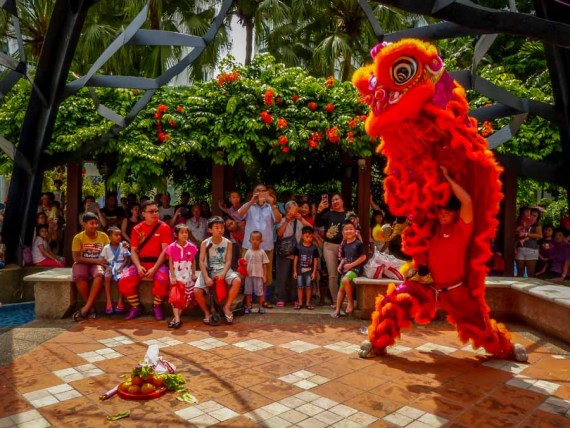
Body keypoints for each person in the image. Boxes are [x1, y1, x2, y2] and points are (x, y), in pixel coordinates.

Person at [361, 166, 525, 361]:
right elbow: (417, 208)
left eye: (448, 212)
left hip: (455, 291)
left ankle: (507, 349)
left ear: (455, 213)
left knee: (479, 324)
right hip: (425, 285)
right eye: (441, 211)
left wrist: (449, 177)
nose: (443, 215)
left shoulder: (463, 228)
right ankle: (377, 344)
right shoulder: (432, 226)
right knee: (393, 302)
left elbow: (467, 201)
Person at [118, 200, 171, 320]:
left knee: (163, 280)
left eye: (156, 211)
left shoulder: (164, 227)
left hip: (159, 263)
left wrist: (154, 268)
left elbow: (165, 251)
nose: (155, 213)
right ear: (143, 214)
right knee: (124, 280)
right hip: (141, 263)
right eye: (151, 211)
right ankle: (136, 307)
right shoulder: (137, 228)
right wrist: (138, 266)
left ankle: (156, 306)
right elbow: (133, 250)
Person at [238, 184, 282, 307]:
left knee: (265, 274)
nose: (261, 193)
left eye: (263, 191)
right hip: (249, 246)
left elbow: (278, 219)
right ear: (253, 192)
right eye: (258, 191)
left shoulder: (270, 207)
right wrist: (252, 201)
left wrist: (273, 204)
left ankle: (263, 300)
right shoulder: (249, 206)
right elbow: (239, 214)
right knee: (247, 273)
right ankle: (248, 300)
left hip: (266, 245)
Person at [194, 216, 242, 324]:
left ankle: (227, 307)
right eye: (216, 227)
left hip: (222, 268)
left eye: (221, 227)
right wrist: (206, 277)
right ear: (210, 230)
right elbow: (201, 262)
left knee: (237, 281)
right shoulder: (205, 243)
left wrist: (224, 273)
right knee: (197, 291)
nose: (220, 230)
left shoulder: (228, 243)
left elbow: (228, 261)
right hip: (208, 270)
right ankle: (207, 312)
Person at [71, 212, 109, 321]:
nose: (95, 226)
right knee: (79, 276)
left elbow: (108, 252)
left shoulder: (103, 236)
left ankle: (86, 308)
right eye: (91, 223)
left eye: (96, 223)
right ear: (84, 224)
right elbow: (76, 258)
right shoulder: (78, 238)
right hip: (82, 262)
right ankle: (90, 308)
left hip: (98, 263)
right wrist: (96, 260)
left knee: (99, 275)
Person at [315, 193, 348, 306]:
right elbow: (317, 223)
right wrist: (320, 210)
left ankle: (345, 299)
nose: (335, 202)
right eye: (333, 200)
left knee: (346, 274)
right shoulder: (329, 214)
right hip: (329, 246)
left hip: (345, 247)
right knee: (332, 275)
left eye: (337, 199)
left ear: (342, 201)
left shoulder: (349, 215)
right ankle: (335, 300)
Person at [165, 224, 198, 329]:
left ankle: (176, 319)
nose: (184, 234)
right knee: (175, 297)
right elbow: (170, 263)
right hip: (176, 276)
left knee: (184, 298)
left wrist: (193, 273)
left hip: (187, 275)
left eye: (186, 232)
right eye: (182, 232)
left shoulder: (192, 247)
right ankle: (178, 319)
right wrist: (173, 276)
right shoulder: (171, 247)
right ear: (176, 234)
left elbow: (193, 261)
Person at [332, 221, 367, 318]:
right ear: (343, 233)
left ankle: (350, 302)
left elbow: (363, 257)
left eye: (351, 229)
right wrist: (340, 265)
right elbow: (344, 258)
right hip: (346, 269)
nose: (349, 231)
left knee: (345, 280)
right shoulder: (344, 245)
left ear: (355, 231)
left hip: (355, 269)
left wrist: (351, 265)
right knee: (341, 289)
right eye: (346, 229)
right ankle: (338, 310)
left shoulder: (358, 244)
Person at [275, 201, 306, 307]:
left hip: (297, 253)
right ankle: (281, 298)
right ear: (287, 210)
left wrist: (301, 218)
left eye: (295, 209)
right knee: (282, 275)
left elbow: (310, 229)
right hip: (284, 252)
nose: (293, 211)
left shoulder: (300, 221)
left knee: (295, 277)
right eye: (291, 209)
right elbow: (279, 234)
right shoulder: (282, 220)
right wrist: (287, 221)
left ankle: (295, 298)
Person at [100, 226, 129, 315]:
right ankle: (109, 300)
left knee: (121, 279)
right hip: (110, 266)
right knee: (107, 277)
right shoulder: (106, 248)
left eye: (120, 235)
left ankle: (120, 301)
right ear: (109, 237)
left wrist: (121, 268)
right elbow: (102, 259)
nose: (119, 237)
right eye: (116, 235)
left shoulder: (123, 246)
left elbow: (127, 259)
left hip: (121, 265)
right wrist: (106, 266)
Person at [293, 226, 319, 310]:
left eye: (311, 237)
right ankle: (300, 303)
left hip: (309, 271)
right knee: (300, 287)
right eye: (307, 236)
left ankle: (308, 303)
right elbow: (296, 259)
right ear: (302, 236)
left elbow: (315, 260)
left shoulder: (314, 248)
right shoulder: (298, 247)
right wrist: (295, 271)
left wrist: (314, 272)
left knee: (308, 287)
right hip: (300, 271)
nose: (309, 239)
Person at [243, 230, 270, 314]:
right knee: (248, 292)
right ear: (250, 241)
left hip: (259, 275)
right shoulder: (248, 252)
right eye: (253, 239)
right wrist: (243, 272)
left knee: (260, 292)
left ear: (261, 241)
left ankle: (260, 306)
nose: (255, 241)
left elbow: (265, 264)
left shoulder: (262, 252)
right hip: (249, 275)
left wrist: (264, 275)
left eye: (257, 239)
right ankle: (248, 306)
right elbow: (244, 263)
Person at [514, 206, 543, 277]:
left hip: (532, 250)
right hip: (520, 249)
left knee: (530, 273)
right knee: (519, 273)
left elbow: (540, 235)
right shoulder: (520, 223)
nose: (532, 217)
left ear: (537, 217)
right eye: (531, 214)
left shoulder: (537, 225)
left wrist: (526, 234)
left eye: (535, 216)